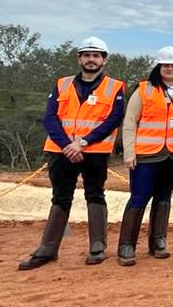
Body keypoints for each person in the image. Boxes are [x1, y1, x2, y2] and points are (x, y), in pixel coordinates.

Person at [19, 37, 126, 270]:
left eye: (96, 55)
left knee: (95, 194)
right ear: (79, 58)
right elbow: (50, 117)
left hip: (94, 151)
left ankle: (97, 247)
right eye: (86, 55)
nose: (91, 59)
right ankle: (47, 249)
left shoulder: (115, 87)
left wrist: (83, 142)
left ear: (104, 60)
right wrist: (69, 145)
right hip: (60, 150)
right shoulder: (62, 84)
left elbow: (113, 120)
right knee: (60, 197)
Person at [116, 46, 173, 266]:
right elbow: (130, 122)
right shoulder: (144, 90)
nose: (169, 69)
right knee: (139, 197)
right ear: (158, 67)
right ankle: (126, 245)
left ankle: (158, 240)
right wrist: (129, 152)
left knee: (164, 197)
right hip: (147, 154)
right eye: (165, 65)